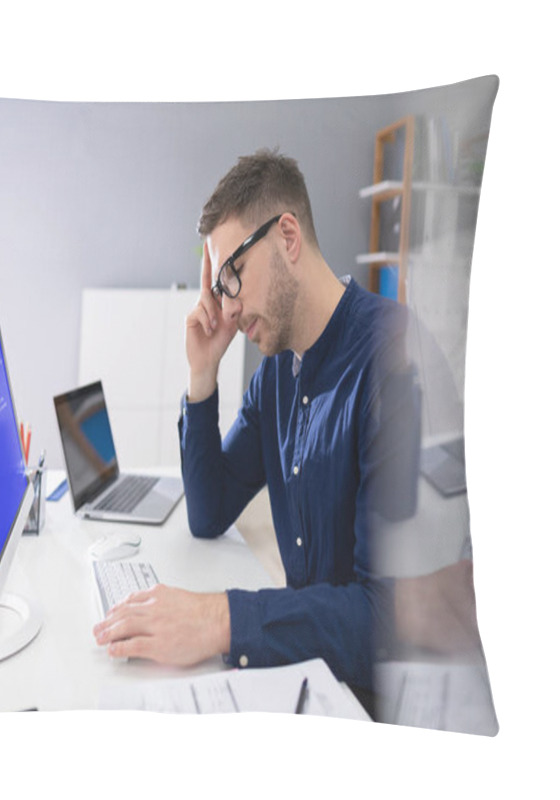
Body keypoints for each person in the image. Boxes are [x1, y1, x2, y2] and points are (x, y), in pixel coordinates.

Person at [93, 149, 419, 691]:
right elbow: (208, 510)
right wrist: (202, 375)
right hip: (303, 673)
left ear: (287, 236)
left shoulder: (393, 358)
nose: (228, 308)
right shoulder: (275, 378)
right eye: (220, 288)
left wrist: (217, 619)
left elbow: (385, 618)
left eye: (233, 275)